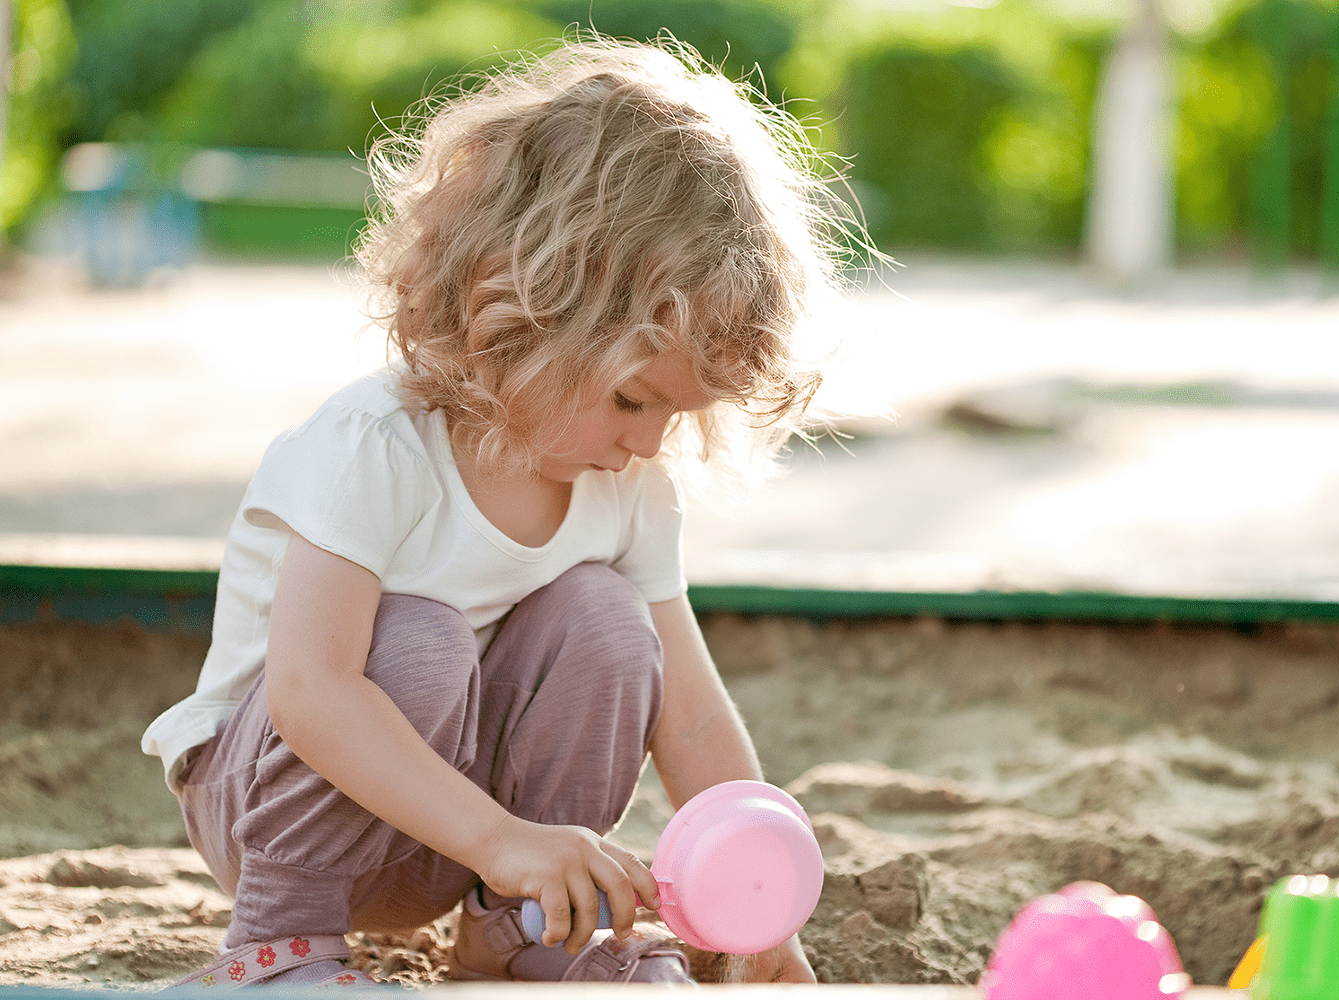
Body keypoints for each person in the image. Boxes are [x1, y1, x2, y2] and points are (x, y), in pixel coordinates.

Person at [140, 34, 859, 987]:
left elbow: (688, 720)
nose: (647, 442)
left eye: (674, 414)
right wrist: (501, 835)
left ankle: (524, 932)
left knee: (607, 621)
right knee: (423, 639)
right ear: (517, 316)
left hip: (465, 847)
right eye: (634, 400)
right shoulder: (375, 447)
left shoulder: (628, 484)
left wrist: (761, 909)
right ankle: (280, 948)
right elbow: (312, 693)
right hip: (273, 806)